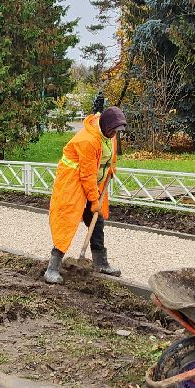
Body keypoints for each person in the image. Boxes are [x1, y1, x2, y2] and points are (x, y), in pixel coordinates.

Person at [44, 105, 126, 284]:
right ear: (105, 126)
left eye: (117, 131)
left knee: (97, 222)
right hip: (72, 184)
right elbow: (87, 174)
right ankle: (52, 268)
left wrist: (110, 167)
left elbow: (107, 156)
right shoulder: (88, 140)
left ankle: (101, 263)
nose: (115, 134)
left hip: (91, 184)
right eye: (113, 130)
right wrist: (94, 200)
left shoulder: (108, 134)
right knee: (67, 221)